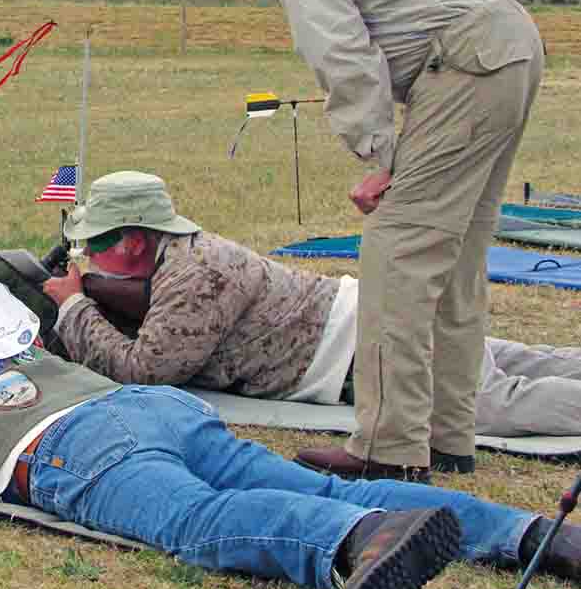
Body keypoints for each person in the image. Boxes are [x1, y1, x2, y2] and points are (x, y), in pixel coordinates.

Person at [0, 187, 580, 589]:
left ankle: (354, 550)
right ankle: (529, 534)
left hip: (60, 448)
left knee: (199, 523)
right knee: (305, 485)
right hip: (140, 406)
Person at [180, 0, 545, 481]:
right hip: (506, 50)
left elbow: (342, 52)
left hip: (464, 65)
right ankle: (447, 435)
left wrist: (382, 158)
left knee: (397, 255)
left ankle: (389, 446)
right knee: (453, 260)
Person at [41, 172, 581, 454]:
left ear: (134, 242)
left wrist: (74, 306)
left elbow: (145, 372)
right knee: (525, 362)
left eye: (96, 245)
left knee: (495, 403)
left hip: (362, 352)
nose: (89, 257)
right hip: (370, 317)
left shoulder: (191, 277)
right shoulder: (189, 253)